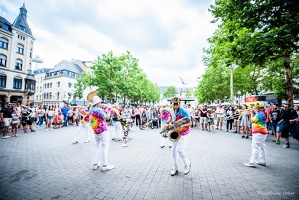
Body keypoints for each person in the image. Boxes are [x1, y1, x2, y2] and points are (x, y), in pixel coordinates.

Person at [165, 97, 192, 176]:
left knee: (180, 150)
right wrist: (167, 123)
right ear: (172, 104)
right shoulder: (172, 110)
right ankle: (175, 167)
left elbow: (190, 123)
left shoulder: (184, 111)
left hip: (184, 133)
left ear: (179, 104)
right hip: (175, 132)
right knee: (173, 152)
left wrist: (182, 125)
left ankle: (187, 164)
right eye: (174, 104)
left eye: (177, 104)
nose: (176, 105)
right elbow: (171, 118)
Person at [89, 95, 114, 171]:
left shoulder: (90, 109)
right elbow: (107, 118)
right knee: (105, 147)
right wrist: (109, 110)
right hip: (102, 130)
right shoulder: (98, 110)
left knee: (96, 146)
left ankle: (95, 164)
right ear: (97, 103)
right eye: (99, 102)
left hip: (96, 130)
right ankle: (105, 165)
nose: (100, 103)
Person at [244, 103, 268, 167]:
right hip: (262, 131)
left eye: (254, 107)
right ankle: (262, 161)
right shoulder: (262, 113)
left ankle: (252, 162)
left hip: (258, 132)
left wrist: (251, 114)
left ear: (257, 108)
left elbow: (252, 120)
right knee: (262, 147)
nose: (253, 108)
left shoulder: (259, 114)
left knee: (255, 147)